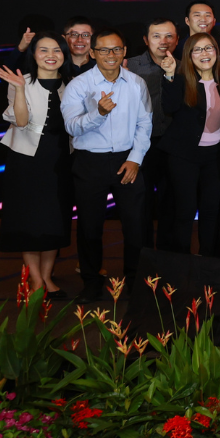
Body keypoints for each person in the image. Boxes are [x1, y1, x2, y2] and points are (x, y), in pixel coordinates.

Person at [61, 28, 152, 304]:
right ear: (92, 53)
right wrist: (97, 113)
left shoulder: (137, 83)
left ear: (124, 51)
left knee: (136, 226)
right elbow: (71, 126)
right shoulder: (79, 85)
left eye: (116, 49)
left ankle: (135, 282)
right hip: (90, 161)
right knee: (89, 227)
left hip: (127, 159)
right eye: (103, 50)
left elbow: (144, 123)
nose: (110, 55)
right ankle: (91, 283)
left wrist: (135, 159)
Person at [0, 32, 73, 299]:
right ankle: (37, 280)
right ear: (33, 54)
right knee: (27, 218)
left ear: (64, 55)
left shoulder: (72, 84)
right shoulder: (22, 81)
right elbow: (19, 121)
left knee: (56, 218)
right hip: (26, 159)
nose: (51, 55)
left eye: (57, 50)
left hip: (61, 159)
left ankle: (49, 276)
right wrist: (18, 89)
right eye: (44, 50)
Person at [158, 33, 220, 257]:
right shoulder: (179, 80)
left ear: (216, 52)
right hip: (183, 157)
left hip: (215, 158)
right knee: (185, 212)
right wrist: (169, 75)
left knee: (211, 213)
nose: (204, 54)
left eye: (208, 48)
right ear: (189, 56)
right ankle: (181, 264)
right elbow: (169, 107)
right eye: (197, 50)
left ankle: (209, 262)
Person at [126, 18, 179, 251]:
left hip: (174, 145)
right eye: (157, 36)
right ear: (146, 40)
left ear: (177, 40)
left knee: (172, 204)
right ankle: (142, 262)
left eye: (169, 36)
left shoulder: (187, 64)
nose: (164, 41)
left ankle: (167, 260)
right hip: (139, 144)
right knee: (140, 205)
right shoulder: (130, 66)